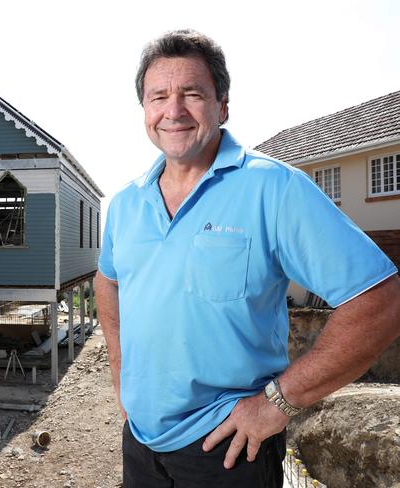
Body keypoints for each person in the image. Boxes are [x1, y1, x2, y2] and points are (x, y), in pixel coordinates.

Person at [94, 29, 400, 488]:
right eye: (158, 96)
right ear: (144, 110)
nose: (172, 111)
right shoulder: (125, 203)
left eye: (191, 94)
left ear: (222, 106)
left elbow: (381, 300)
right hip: (140, 445)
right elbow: (108, 280)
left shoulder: (274, 188)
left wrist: (278, 403)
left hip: (229, 449)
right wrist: (122, 375)